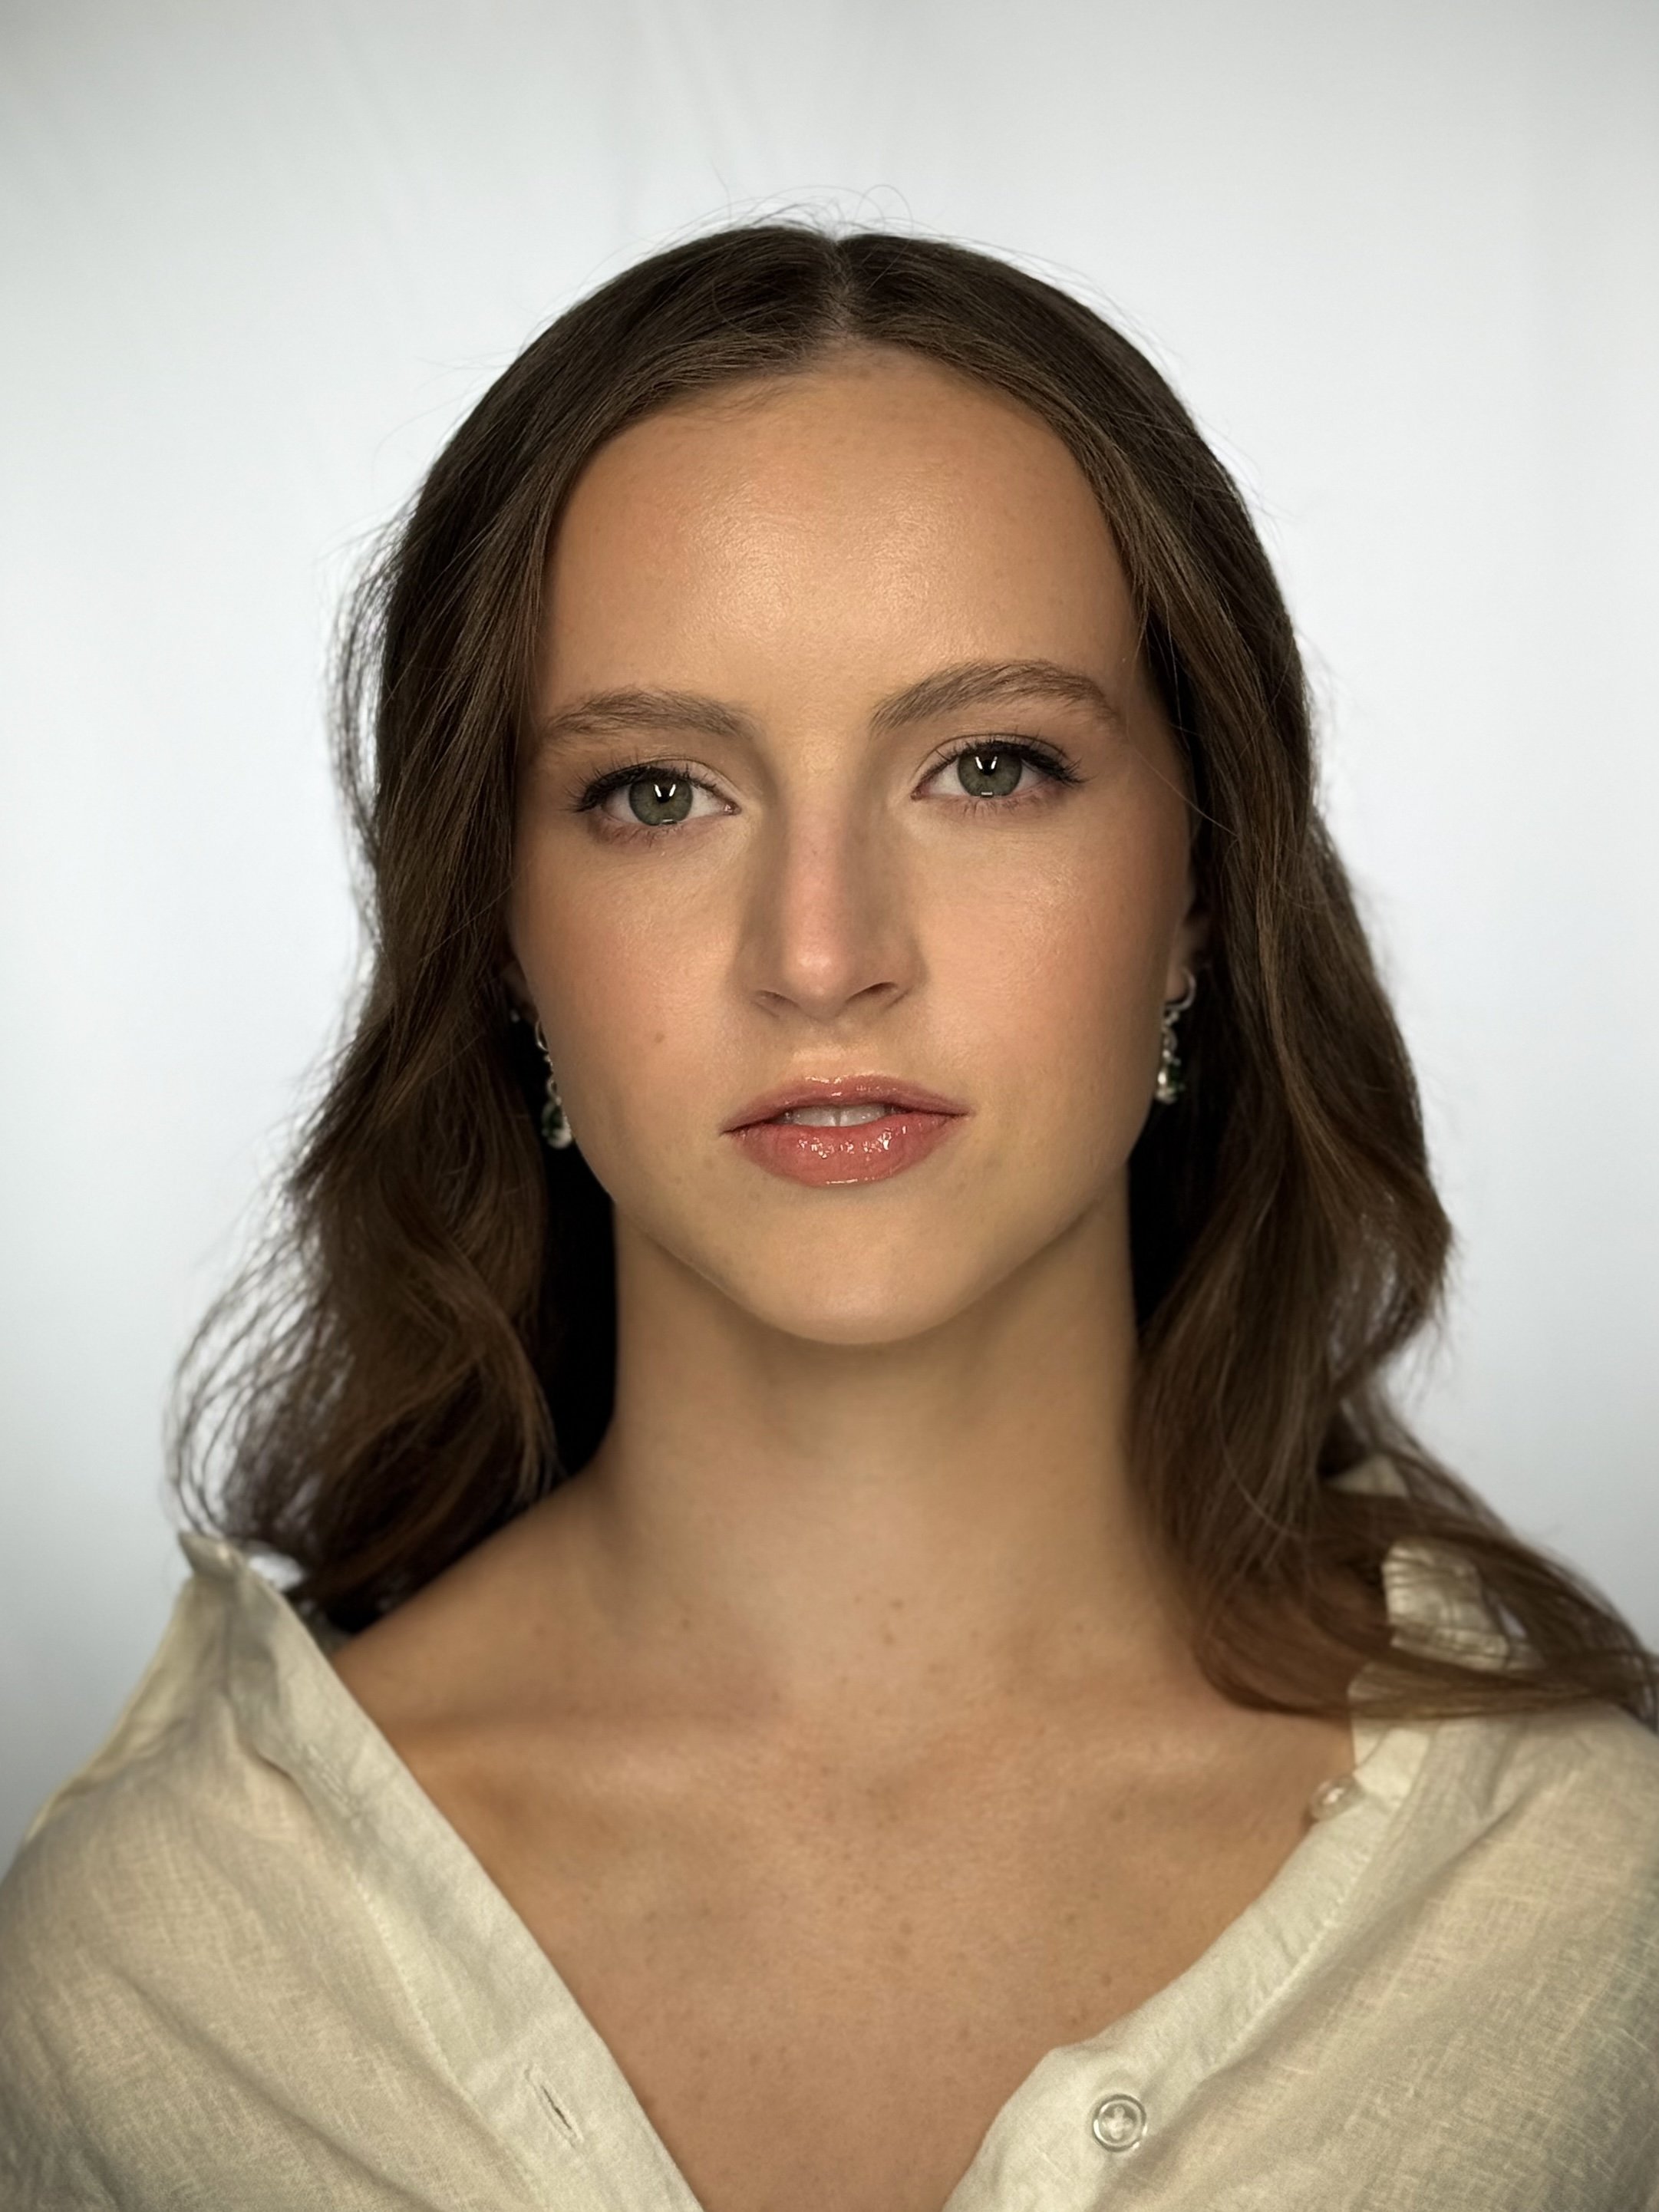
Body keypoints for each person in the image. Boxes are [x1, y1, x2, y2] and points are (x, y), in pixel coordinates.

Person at [1, 222, 1654, 2212]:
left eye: (987, 764)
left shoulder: (1585, 1901)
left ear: (1201, 884)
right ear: (499, 933)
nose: (821, 953)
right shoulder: (148, 1978)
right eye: (654, 792)